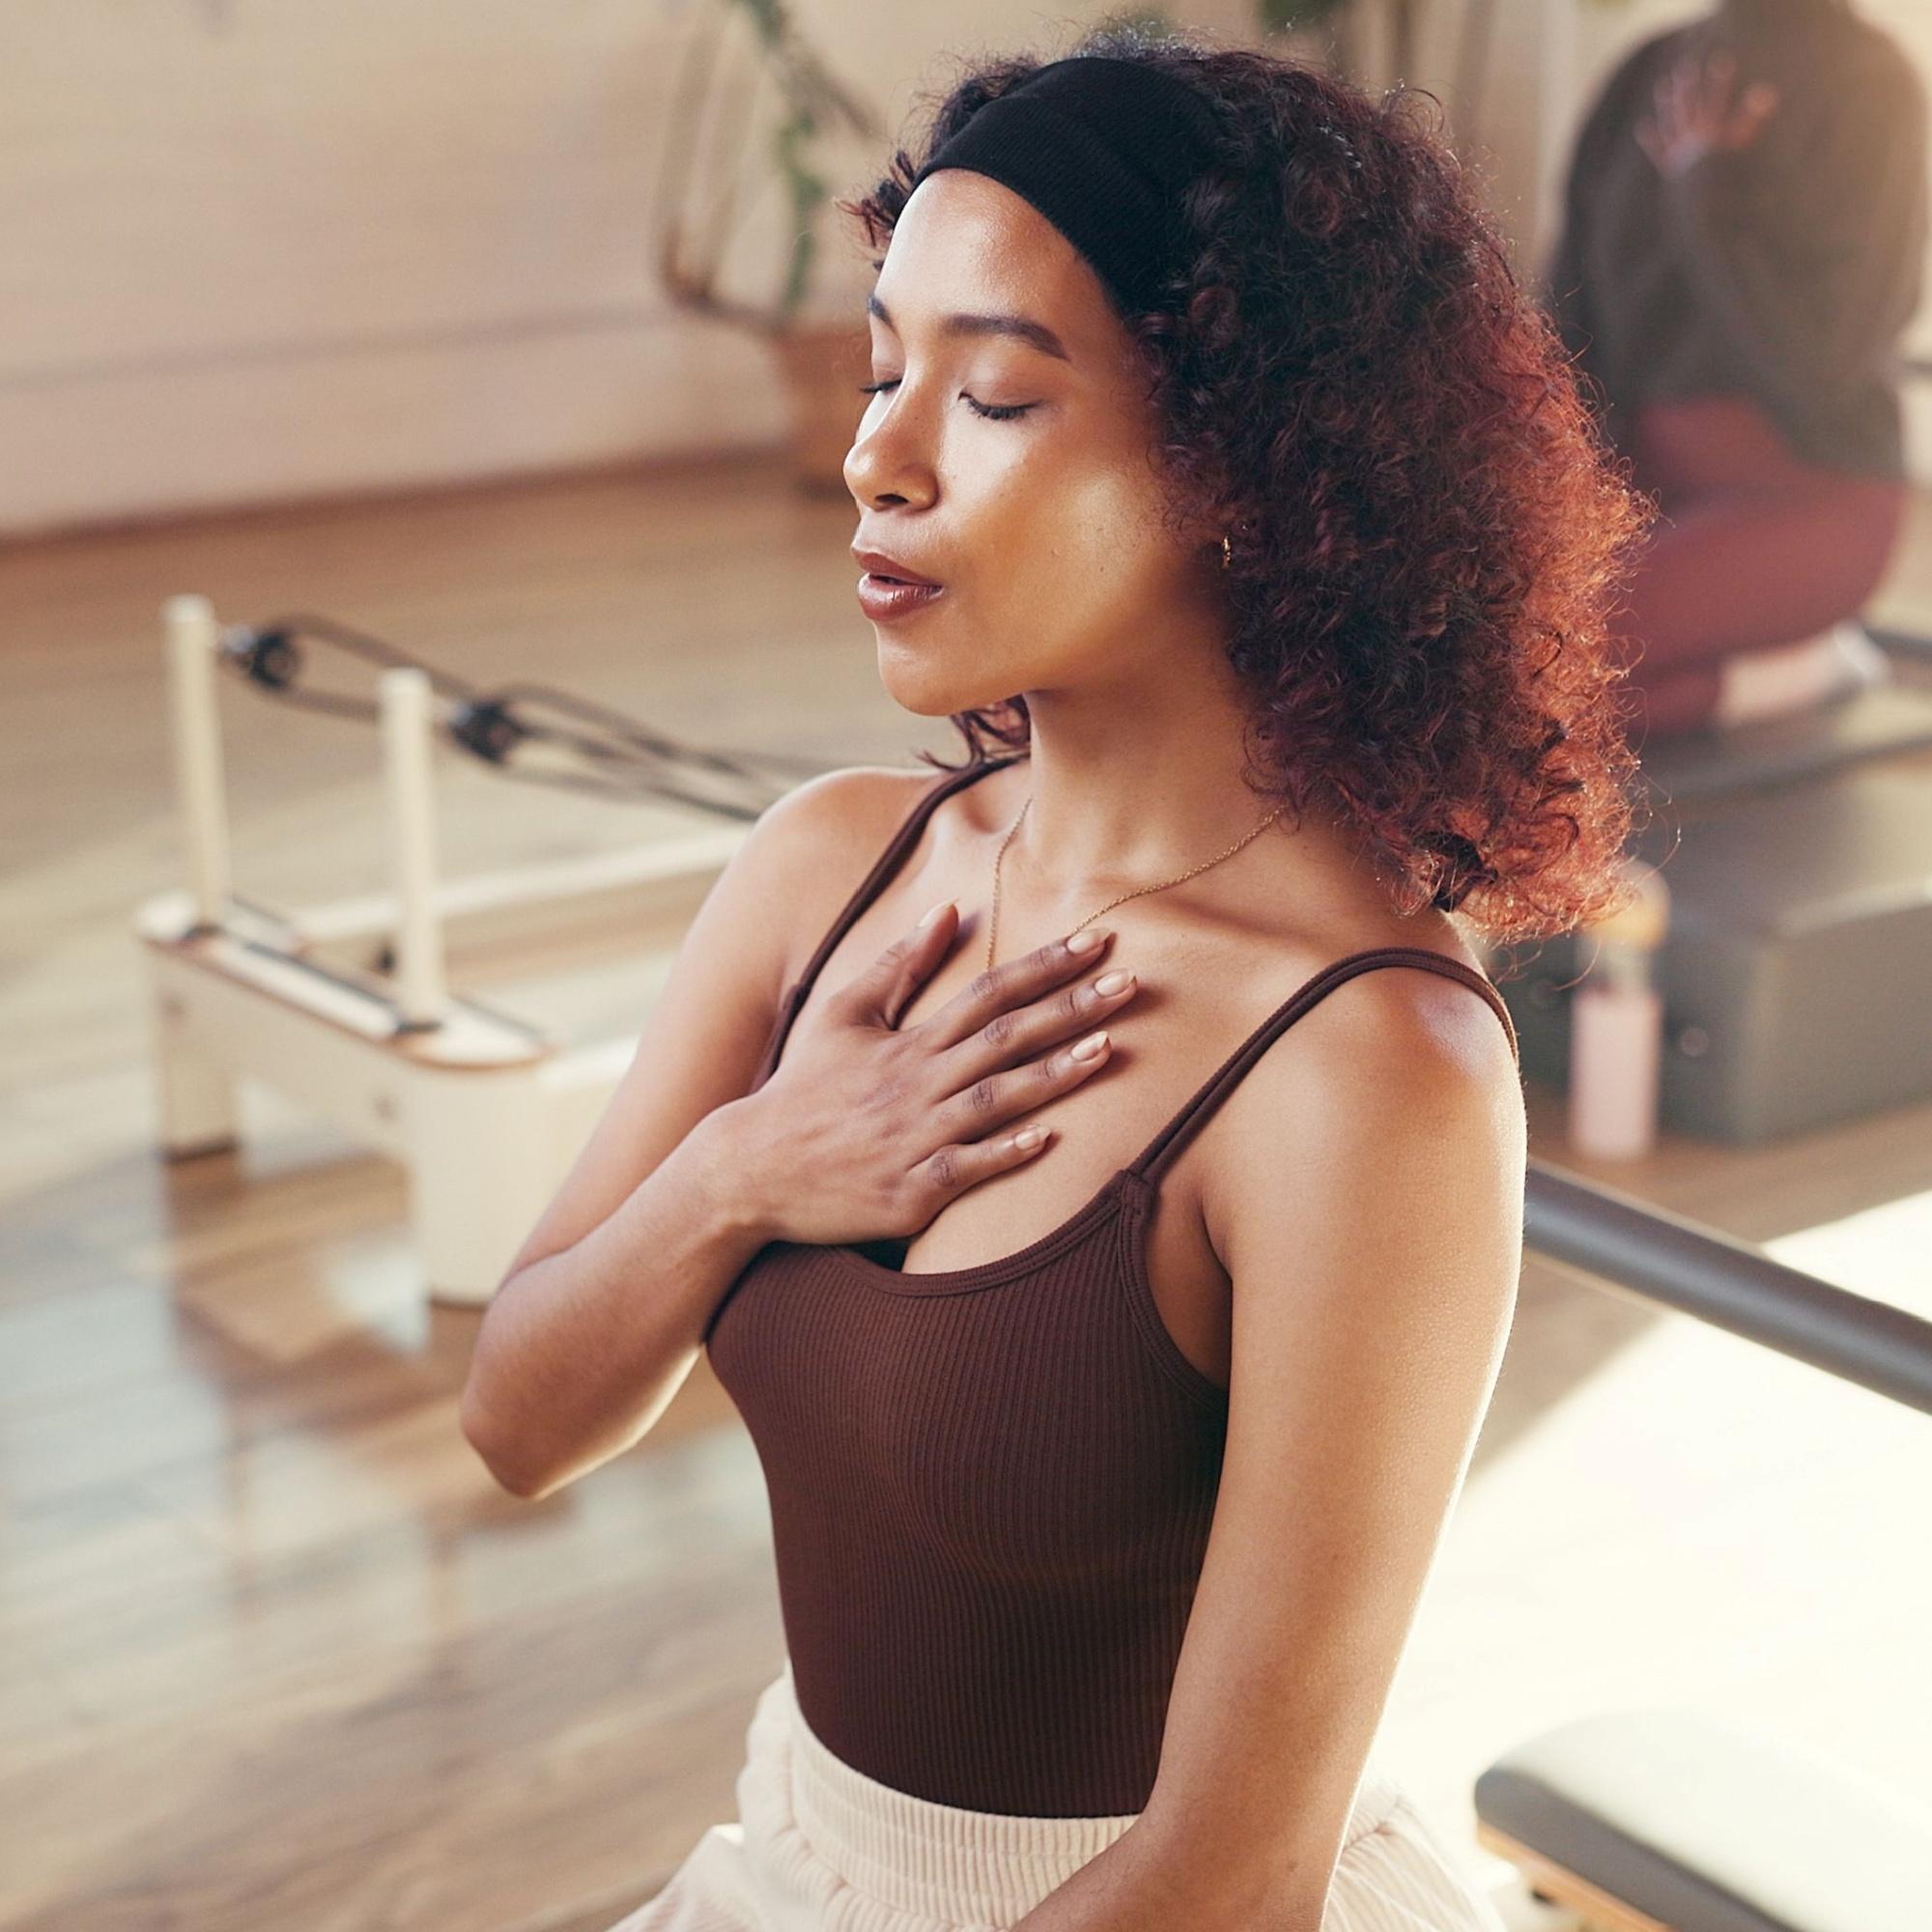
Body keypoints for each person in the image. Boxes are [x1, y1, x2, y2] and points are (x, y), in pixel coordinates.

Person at [461, 26, 1653, 1930]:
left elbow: (1230, 1874)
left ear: (1252, 472)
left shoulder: (1370, 1071)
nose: (877, 451)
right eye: (880, 367)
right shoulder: (827, 871)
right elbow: (516, 1420)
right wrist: (749, 1165)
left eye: (995, 398)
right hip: (788, 1864)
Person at [1543, 0, 1928, 739]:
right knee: (1470, 669)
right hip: (1633, 493)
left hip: (1807, 493)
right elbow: (1567, 313)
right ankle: (1779, 677)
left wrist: (1708, 200)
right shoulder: (1645, 71)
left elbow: (1826, 364)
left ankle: (1797, 666)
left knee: (1520, 673)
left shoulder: (1871, 85)